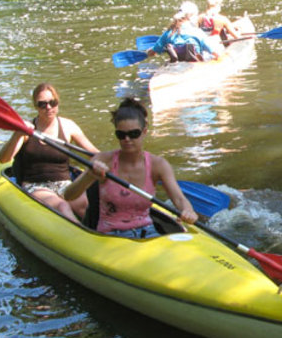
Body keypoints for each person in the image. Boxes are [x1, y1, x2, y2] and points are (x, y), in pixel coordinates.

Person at [63, 98, 199, 238]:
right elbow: (68, 196)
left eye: (133, 134)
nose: (127, 139)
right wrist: (90, 175)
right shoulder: (103, 160)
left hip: (147, 232)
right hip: (111, 234)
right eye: (121, 135)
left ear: (144, 131)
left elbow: (179, 199)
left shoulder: (158, 165)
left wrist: (188, 211)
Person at [0, 83, 99, 224]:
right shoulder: (27, 129)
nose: (49, 108)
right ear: (35, 106)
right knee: (62, 206)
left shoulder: (68, 126)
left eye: (53, 102)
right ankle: (81, 238)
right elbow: (4, 159)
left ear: (57, 102)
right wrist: (17, 134)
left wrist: (116, 160)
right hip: (36, 186)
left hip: (64, 184)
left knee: (86, 206)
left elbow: (93, 153)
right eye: (42, 104)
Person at [146, 1, 219, 62]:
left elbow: (152, 52)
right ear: (191, 16)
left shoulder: (169, 33)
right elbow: (215, 53)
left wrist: (148, 52)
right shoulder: (198, 32)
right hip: (194, 63)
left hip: (178, 63)